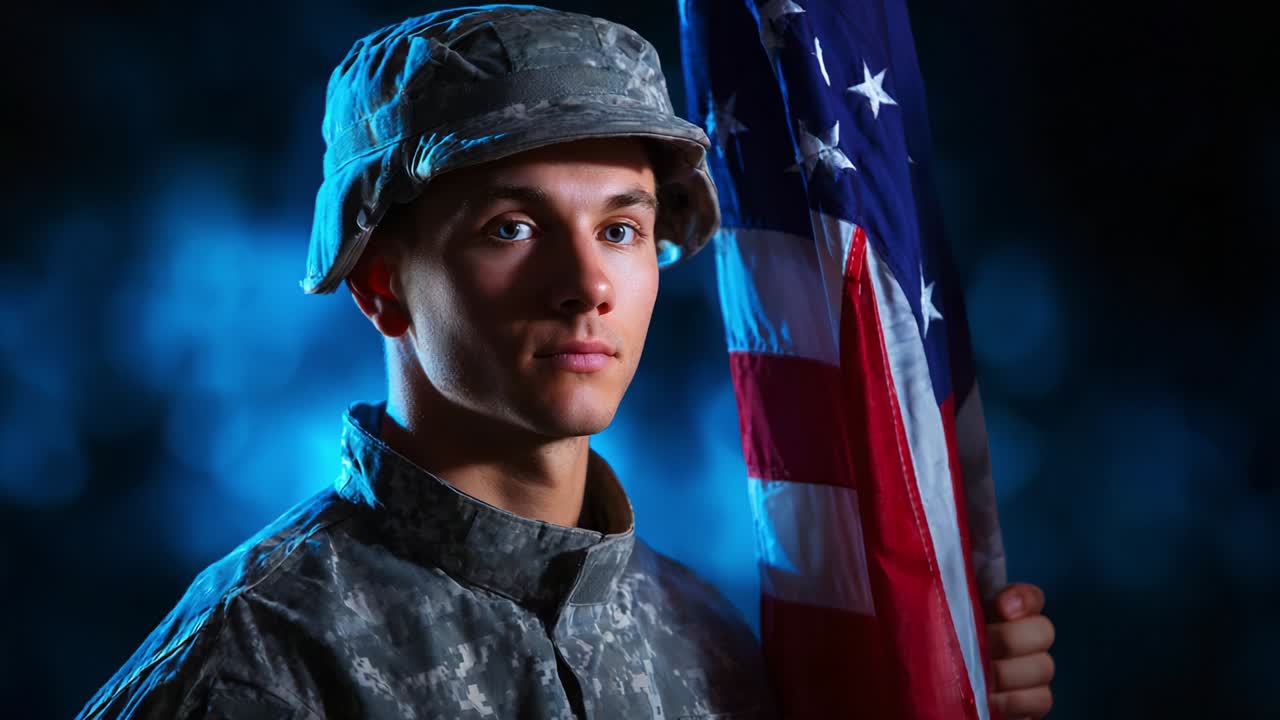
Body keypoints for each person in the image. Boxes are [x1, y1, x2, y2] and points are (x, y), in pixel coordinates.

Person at [77, 5, 1055, 718]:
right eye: (511, 226)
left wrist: (944, 677)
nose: (586, 283)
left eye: (622, 228)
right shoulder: (259, 662)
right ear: (380, 282)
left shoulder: (707, 645)